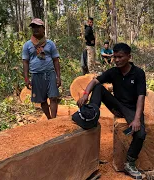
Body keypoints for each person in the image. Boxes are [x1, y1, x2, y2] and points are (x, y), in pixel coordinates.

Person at [77, 43, 146, 179]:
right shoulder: (113, 71)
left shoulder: (138, 73)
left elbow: (141, 97)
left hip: (131, 108)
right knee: (98, 87)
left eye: (120, 57)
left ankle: (130, 163)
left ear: (129, 57)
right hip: (117, 105)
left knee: (141, 133)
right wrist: (85, 94)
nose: (117, 60)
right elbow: (94, 81)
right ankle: (91, 112)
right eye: (115, 57)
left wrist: (137, 118)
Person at [22, 18, 61, 119]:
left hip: (50, 73)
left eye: (38, 27)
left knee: (53, 97)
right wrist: (26, 79)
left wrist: (58, 77)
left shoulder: (50, 44)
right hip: (36, 75)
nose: (35, 29)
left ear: (43, 29)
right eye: (33, 27)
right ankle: (49, 118)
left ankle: (54, 120)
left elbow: (56, 60)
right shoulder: (27, 45)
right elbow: (25, 62)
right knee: (42, 99)